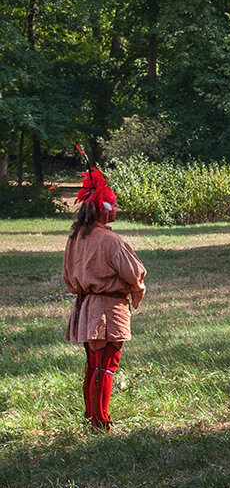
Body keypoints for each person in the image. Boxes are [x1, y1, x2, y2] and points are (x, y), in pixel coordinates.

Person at [63, 168, 147, 431]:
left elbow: (69, 277)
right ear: (104, 209)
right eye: (114, 205)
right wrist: (136, 287)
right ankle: (100, 423)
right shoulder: (111, 240)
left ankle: (92, 416)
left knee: (94, 362)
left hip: (86, 307)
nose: (116, 210)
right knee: (106, 364)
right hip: (108, 309)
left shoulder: (75, 237)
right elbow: (134, 272)